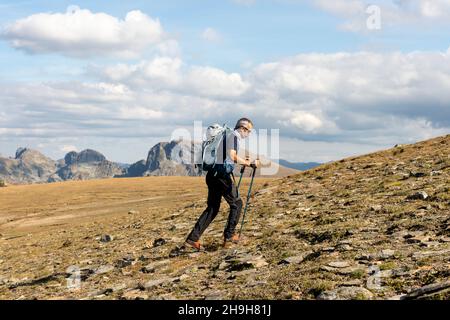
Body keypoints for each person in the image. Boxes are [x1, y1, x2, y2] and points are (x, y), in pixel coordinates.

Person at [185, 118, 259, 250]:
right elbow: (232, 155)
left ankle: (192, 239)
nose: (248, 134)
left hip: (212, 175)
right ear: (243, 128)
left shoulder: (226, 135)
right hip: (221, 177)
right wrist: (249, 163)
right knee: (237, 204)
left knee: (212, 208)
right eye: (248, 131)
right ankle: (229, 237)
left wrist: (242, 161)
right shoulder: (234, 136)